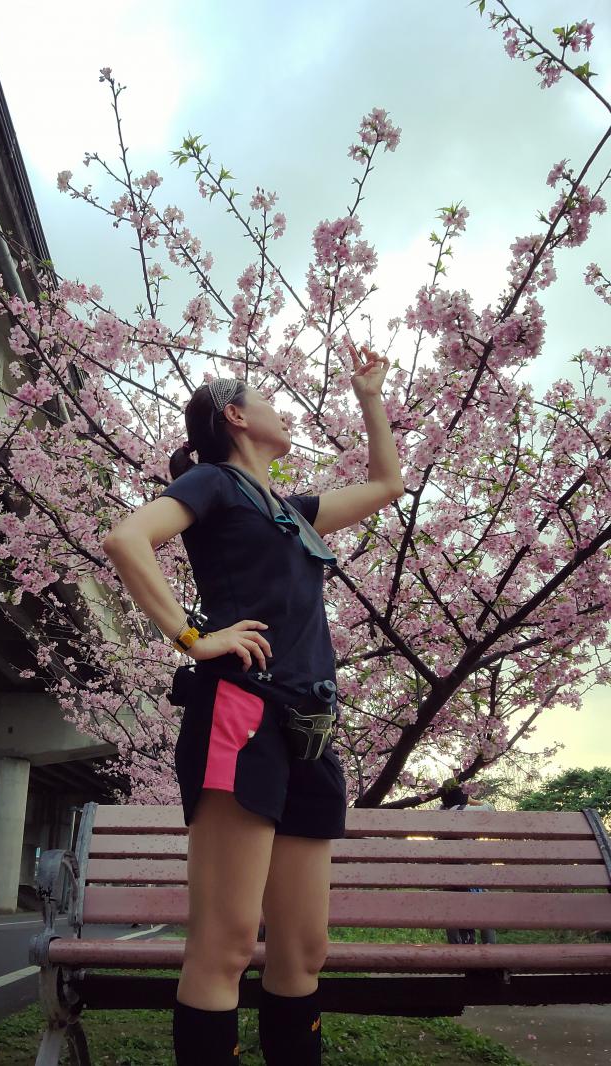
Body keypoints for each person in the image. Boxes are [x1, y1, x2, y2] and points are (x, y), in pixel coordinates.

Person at [102, 342, 401, 1065]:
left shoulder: (292, 512)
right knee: (228, 941)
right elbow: (126, 537)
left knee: (303, 948)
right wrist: (192, 636)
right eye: (266, 400)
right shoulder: (212, 483)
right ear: (235, 417)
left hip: (310, 727)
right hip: (241, 714)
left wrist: (369, 398)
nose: (281, 411)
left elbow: (387, 484)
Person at [440, 778, 497, 946]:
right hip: (468, 873)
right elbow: (490, 809)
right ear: (463, 795)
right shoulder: (466, 810)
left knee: (452, 908)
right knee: (483, 908)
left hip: (447, 875)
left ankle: (457, 945)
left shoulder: (438, 811)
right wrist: (471, 800)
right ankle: (489, 946)